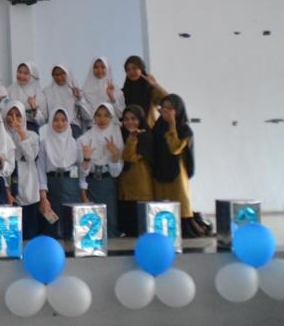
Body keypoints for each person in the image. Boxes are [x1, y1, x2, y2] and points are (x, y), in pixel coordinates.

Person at [152, 94, 208, 238]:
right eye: (163, 108)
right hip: (160, 171)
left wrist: (172, 125)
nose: (166, 111)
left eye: (170, 108)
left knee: (180, 200)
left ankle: (186, 229)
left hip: (177, 172)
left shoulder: (184, 130)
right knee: (162, 200)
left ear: (178, 110)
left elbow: (175, 148)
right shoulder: (158, 127)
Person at [78, 102, 124, 237]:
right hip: (91, 183)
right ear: (94, 117)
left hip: (108, 182)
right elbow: (81, 170)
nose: (102, 119)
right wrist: (87, 158)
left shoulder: (116, 136)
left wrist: (115, 155)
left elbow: (116, 173)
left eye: (106, 116)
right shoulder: (85, 138)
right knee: (94, 221)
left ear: (111, 118)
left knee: (110, 219)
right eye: (98, 115)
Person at [36, 108, 83, 238]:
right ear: (51, 122)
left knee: (71, 224)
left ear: (68, 122)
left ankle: (69, 248)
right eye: (56, 120)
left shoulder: (75, 143)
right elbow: (41, 170)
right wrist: (43, 197)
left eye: (63, 120)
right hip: (52, 186)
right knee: (52, 223)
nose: (60, 123)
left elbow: (80, 169)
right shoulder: (44, 143)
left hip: (71, 186)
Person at [4, 101, 43, 240]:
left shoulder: (32, 136)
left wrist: (21, 134)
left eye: (18, 115)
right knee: (12, 235)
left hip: (29, 185)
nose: (14, 118)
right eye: (10, 114)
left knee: (29, 233)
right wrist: (7, 190)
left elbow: (30, 156)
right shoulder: (2, 135)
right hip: (9, 186)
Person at [117, 104, 155, 237]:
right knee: (128, 228)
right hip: (124, 186)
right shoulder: (120, 135)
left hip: (140, 184)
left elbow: (130, 157)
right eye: (126, 119)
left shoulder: (146, 137)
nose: (130, 122)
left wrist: (132, 140)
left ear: (140, 119)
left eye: (133, 118)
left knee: (141, 227)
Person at [37, 64, 90, 135]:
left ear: (67, 74)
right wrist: (35, 110)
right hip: (54, 130)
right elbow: (43, 119)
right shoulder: (47, 92)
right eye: (56, 75)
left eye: (62, 74)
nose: (59, 77)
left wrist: (80, 99)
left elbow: (88, 116)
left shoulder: (76, 91)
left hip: (73, 128)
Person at [121, 56, 168, 129]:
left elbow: (167, 99)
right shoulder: (123, 92)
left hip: (148, 130)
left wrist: (155, 85)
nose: (131, 72)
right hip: (129, 131)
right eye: (128, 70)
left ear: (141, 69)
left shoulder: (150, 90)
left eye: (134, 68)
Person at [8, 61, 42, 132]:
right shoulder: (10, 90)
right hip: (12, 127)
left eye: (26, 73)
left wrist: (34, 109)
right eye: (19, 72)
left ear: (32, 76)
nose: (21, 75)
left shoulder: (39, 94)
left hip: (30, 129)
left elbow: (42, 121)